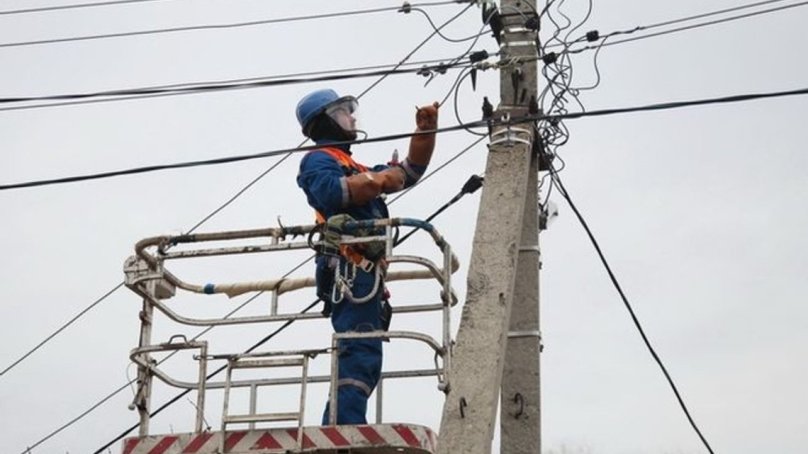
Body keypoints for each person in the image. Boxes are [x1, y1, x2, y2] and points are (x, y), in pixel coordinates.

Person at [295, 88, 439, 425]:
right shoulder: (319, 159)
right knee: (359, 350)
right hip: (348, 270)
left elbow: (408, 173)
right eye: (345, 111)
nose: (353, 117)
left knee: (365, 352)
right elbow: (331, 192)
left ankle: (341, 425)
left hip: (364, 275)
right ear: (326, 120)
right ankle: (343, 429)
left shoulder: (352, 164)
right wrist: (376, 180)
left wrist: (425, 132)